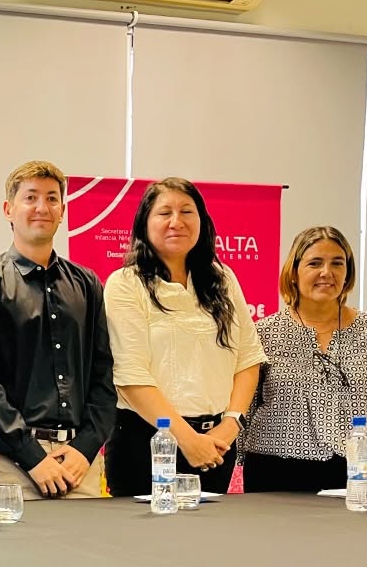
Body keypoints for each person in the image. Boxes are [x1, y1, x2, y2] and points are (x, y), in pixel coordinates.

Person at [0, 160, 115, 499]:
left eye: (52, 198)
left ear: (62, 211)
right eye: (30, 197)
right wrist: (33, 457)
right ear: (8, 210)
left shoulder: (87, 284)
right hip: (12, 463)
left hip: (79, 463)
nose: (42, 207)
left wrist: (86, 447)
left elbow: (104, 375)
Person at [102, 177, 266, 497]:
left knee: (210, 531)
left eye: (187, 212)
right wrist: (187, 441)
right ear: (145, 223)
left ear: (201, 221)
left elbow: (248, 358)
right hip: (146, 444)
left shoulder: (223, 279)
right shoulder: (125, 284)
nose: (176, 222)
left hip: (217, 445)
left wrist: (231, 424)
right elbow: (130, 376)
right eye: (164, 213)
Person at [242, 226, 367, 492]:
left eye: (337, 263)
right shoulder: (263, 333)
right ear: (294, 272)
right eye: (315, 263)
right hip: (273, 467)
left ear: (348, 273)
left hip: (350, 469)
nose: (327, 272)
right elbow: (247, 406)